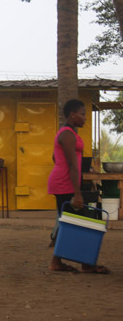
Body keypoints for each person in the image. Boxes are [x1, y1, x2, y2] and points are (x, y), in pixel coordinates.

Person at [48, 99, 109, 274]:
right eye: (82, 114)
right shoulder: (67, 134)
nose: (84, 118)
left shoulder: (68, 133)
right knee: (77, 221)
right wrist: (78, 193)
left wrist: (62, 167)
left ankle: (58, 262)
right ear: (72, 114)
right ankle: (85, 264)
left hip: (64, 180)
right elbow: (73, 166)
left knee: (67, 220)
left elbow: (54, 156)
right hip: (64, 183)